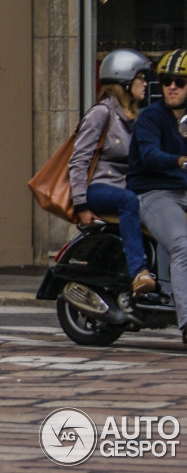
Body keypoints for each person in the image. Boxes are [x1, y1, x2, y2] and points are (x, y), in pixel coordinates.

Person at [69, 48, 156, 294]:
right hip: (99, 188)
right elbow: (78, 161)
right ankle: (138, 272)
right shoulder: (101, 114)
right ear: (125, 80)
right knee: (128, 200)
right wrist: (81, 205)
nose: (145, 83)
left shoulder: (134, 118)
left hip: (124, 187)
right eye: (141, 77)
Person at [127, 48, 187, 347]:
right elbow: (150, 155)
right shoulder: (151, 117)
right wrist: (179, 160)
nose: (172, 87)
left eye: (180, 81)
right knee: (182, 245)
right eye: (167, 81)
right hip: (154, 192)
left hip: (182, 192)